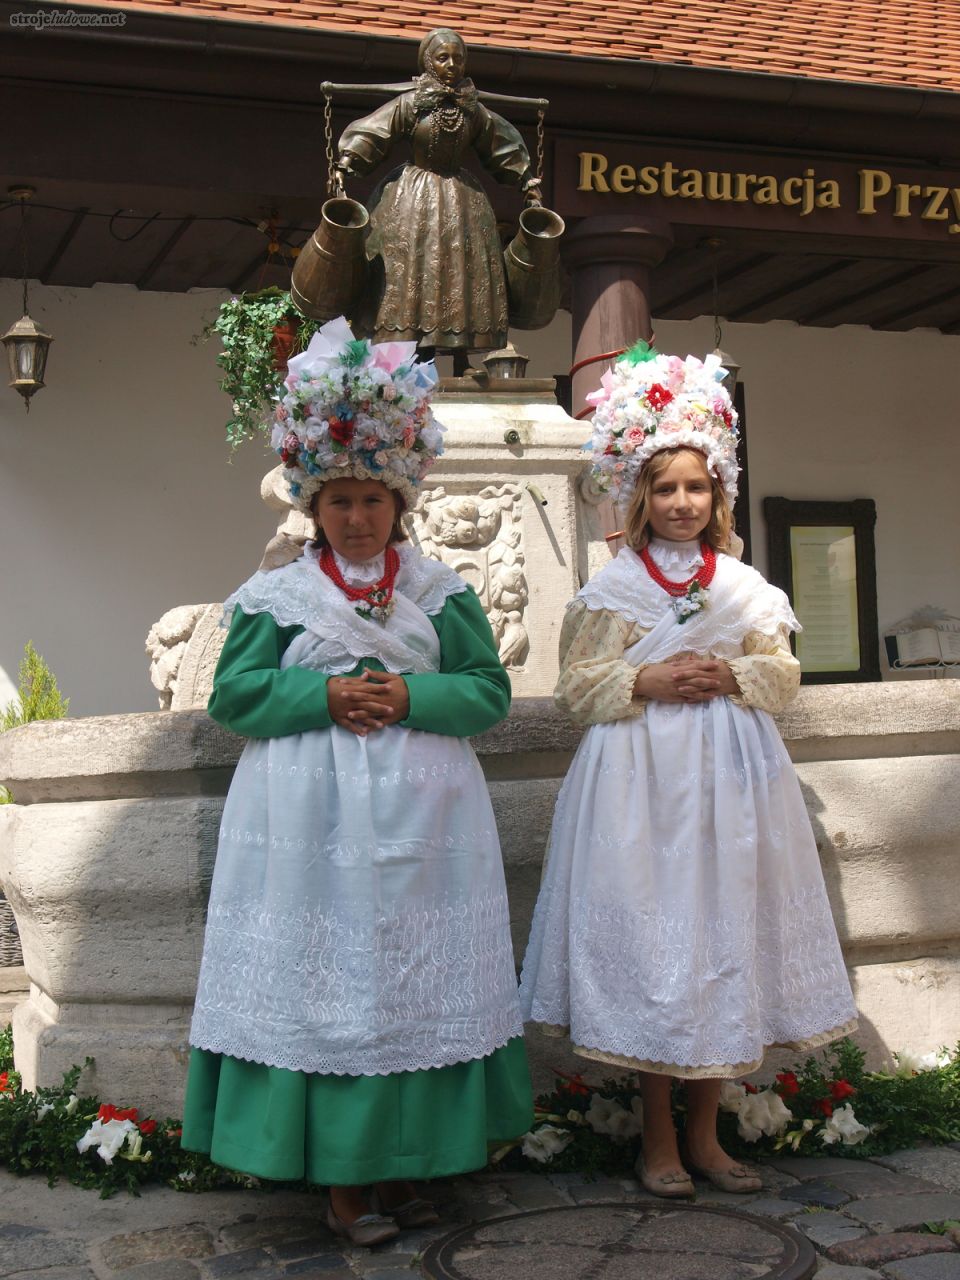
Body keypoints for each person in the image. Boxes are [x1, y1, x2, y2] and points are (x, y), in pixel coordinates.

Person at [182, 317, 532, 1245]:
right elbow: (235, 694)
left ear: (399, 497)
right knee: (332, 988)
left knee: (416, 986)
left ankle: (414, 1167)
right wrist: (326, 693)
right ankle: (344, 1181)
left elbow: (487, 692)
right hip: (309, 819)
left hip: (427, 817)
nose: (358, 518)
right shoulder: (276, 598)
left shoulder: (441, 591)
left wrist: (409, 695)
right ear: (312, 504)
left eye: (372, 499)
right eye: (339, 501)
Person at [518, 343, 857, 1199]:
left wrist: (734, 675)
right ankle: (658, 1139)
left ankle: (708, 1136)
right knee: (657, 952)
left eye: (695, 488)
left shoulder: (747, 587)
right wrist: (646, 678)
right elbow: (575, 690)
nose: (679, 503)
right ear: (640, 497)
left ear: (718, 497)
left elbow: (783, 678)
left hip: (733, 783)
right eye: (664, 488)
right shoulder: (610, 591)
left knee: (722, 945)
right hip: (637, 786)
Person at [335, 27, 543, 361]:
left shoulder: (472, 109)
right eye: (442, 57)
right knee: (411, 265)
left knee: (461, 268)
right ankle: (407, 354)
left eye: (457, 59)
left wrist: (525, 178)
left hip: (462, 200)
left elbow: (500, 142)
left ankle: (463, 356)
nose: (451, 65)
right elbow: (375, 130)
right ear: (428, 62)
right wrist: (348, 160)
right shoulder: (412, 102)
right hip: (412, 198)